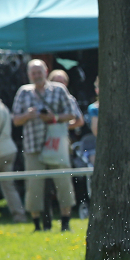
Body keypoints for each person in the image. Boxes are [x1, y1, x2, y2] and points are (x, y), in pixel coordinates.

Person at [11, 59, 82, 232]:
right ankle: (37, 226)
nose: (36, 75)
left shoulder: (59, 90)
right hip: (32, 146)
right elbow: (15, 120)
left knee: (63, 183)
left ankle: (65, 223)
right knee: (34, 186)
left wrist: (54, 117)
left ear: (46, 71)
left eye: (39, 72)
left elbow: (72, 115)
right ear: (29, 75)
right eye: (33, 72)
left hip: (56, 145)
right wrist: (27, 115)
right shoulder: (23, 92)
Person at [0, 98, 26, 223]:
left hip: (2, 152)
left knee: (8, 186)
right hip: (8, 149)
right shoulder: (3, 107)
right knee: (8, 186)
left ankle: (19, 215)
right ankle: (19, 215)